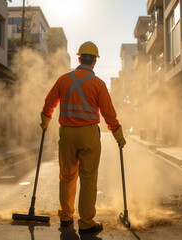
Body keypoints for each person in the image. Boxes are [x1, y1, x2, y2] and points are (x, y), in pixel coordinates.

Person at [40, 41, 126, 234]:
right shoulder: (98, 84)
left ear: (79, 58)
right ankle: (86, 222)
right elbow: (109, 114)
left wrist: (45, 122)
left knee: (67, 177)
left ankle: (66, 218)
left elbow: (49, 103)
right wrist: (118, 134)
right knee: (88, 179)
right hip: (89, 134)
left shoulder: (63, 80)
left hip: (67, 134)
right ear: (94, 62)